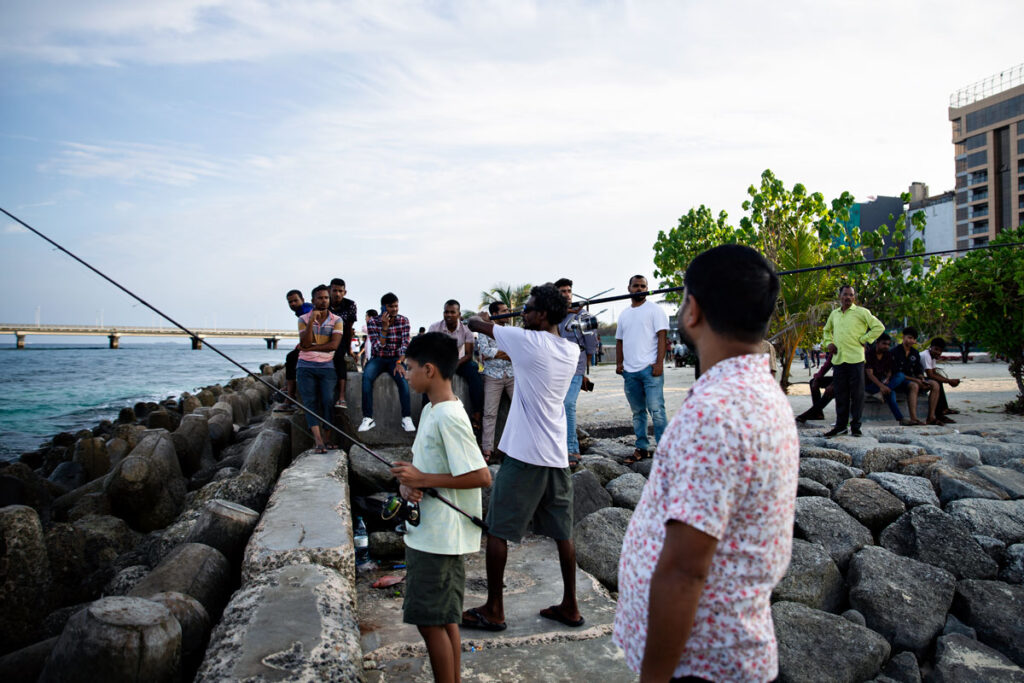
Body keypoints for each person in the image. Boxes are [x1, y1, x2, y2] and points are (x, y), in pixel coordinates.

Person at [613, 244, 799, 683]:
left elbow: (684, 570)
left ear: (692, 310)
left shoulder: (715, 413)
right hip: (728, 652)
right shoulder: (761, 392)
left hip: (701, 665)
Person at [462, 284, 582, 632]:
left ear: (542, 314)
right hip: (557, 456)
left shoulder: (528, 342)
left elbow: (472, 323)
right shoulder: (570, 350)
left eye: (528, 308)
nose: (523, 313)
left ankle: (495, 609)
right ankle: (571, 606)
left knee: (498, 530)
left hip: (525, 454)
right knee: (563, 533)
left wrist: (487, 318)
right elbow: (538, 335)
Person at [389, 332, 491, 683]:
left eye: (410, 367)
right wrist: (410, 482)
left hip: (439, 539)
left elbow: (480, 476)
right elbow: (427, 469)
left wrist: (424, 479)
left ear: (429, 370)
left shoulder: (449, 415)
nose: (405, 372)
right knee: (445, 617)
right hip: (430, 532)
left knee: (429, 620)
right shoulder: (433, 409)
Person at [615, 275, 669, 464]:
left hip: (649, 370)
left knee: (657, 410)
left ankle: (664, 450)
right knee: (638, 412)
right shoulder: (624, 314)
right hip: (630, 372)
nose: (639, 289)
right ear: (629, 288)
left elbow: (662, 336)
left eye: (643, 286)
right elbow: (619, 340)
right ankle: (642, 447)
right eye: (636, 286)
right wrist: (619, 363)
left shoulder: (655, 310)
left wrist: (659, 363)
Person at [820, 284, 884, 437]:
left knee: (857, 395)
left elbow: (878, 327)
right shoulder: (834, 314)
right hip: (839, 360)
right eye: (845, 294)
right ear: (839, 296)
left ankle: (856, 426)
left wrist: (865, 339)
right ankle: (841, 426)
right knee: (841, 394)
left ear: (854, 297)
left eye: (851, 295)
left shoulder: (862, 312)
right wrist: (828, 343)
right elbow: (826, 330)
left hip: (856, 360)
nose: (848, 297)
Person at [555, 278, 599, 469]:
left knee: (568, 404)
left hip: (575, 368)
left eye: (568, 291)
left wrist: (582, 372)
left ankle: (572, 448)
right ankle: (559, 447)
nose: (566, 294)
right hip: (556, 369)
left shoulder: (585, 316)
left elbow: (591, 347)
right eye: (562, 291)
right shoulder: (553, 316)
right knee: (556, 406)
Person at [296, 285, 344, 453]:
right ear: (313, 300)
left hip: (326, 366)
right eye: (320, 298)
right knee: (310, 403)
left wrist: (309, 348)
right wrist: (311, 323)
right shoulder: (303, 319)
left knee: (328, 401)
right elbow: (306, 342)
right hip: (305, 366)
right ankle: (318, 441)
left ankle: (327, 438)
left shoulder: (336, 320)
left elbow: (334, 345)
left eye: (326, 298)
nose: (324, 301)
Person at [360, 293, 415, 433]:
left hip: (395, 359)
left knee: (402, 380)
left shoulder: (403, 321)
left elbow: (405, 345)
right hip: (379, 358)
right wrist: (384, 328)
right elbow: (378, 347)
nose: (394, 309)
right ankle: (367, 418)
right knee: (366, 377)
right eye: (391, 306)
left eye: (396, 306)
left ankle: (406, 417)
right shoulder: (373, 322)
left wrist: (399, 362)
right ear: (383, 307)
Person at [427, 300, 484, 434]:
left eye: (453, 312)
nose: (449, 315)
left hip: (459, 362)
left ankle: (476, 414)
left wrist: (453, 365)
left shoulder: (466, 329)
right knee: (429, 381)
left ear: (458, 314)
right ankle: (428, 417)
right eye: (446, 312)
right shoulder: (435, 328)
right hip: (439, 362)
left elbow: (469, 354)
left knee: (474, 371)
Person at [477, 301, 515, 462]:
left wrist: (498, 353)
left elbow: (516, 350)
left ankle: (518, 447)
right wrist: (506, 354)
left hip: (512, 375)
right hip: (493, 375)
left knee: (522, 410)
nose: (508, 313)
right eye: (505, 311)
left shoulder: (511, 331)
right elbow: (485, 351)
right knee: (490, 413)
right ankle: (487, 449)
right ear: (496, 313)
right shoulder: (484, 331)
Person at [892, 327, 942, 425]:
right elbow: (896, 373)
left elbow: (918, 370)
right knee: (914, 385)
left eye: (914, 339)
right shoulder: (895, 351)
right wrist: (916, 380)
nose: (912, 341)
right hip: (900, 380)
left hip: (914, 378)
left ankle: (931, 417)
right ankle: (914, 418)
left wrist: (921, 378)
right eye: (909, 338)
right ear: (903, 337)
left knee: (935, 384)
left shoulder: (915, 353)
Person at [863, 333, 908, 424]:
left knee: (901, 375)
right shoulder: (869, 354)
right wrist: (882, 386)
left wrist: (887, 379)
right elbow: (869, 374)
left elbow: (889, 370)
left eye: (888, 344)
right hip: (870, 384)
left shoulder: (887, 354)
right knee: (890, 393)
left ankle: (880, 393)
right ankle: (901, 419)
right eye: (884, 344)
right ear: (877, 343)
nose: (886, 346)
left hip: (883, 382)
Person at [281, 289, 313, 412]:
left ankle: (290, 395)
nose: (293, 304)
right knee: (291, 359)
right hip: (308, 342)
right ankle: (288, 389)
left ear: (303, 300)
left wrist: (304, 344)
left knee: (291, 358)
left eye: (295, 300)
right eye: (290, 302)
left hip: (314, 344)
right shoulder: (301, 311)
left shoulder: (306, 310)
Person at [329, 278, 358, 410]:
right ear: (330, 291)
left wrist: (349, 349)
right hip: (324, 338)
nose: (337, 294)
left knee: (339, 358)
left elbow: (348, 329)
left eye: (340, 291)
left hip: (340, 339)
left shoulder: (350, 305)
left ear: (344, 292)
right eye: (334, 290)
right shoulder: (325, 301)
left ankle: (341, 397)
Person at [921, 337, 960, 422]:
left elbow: (934, 372)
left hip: (922, 377)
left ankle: (943, 409)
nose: (938, 352)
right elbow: (931, 375)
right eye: (936, 349)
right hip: (917, 378)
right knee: (937, 383)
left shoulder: (932, 356)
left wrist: (948, 380)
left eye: (940, 350)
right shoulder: (926, 355)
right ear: (930, 347)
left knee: (939, 382)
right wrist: (949, 381)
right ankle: (939, 412)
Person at [795, 353, 834, 423]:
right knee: (813, 382)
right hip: (837, 378)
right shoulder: (834, 352)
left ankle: (809, 413)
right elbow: (827, 365)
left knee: (831, 390)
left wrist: (833, 384)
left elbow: (845, 372)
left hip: (848, 380)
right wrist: (817, 378)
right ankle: (818, 413)